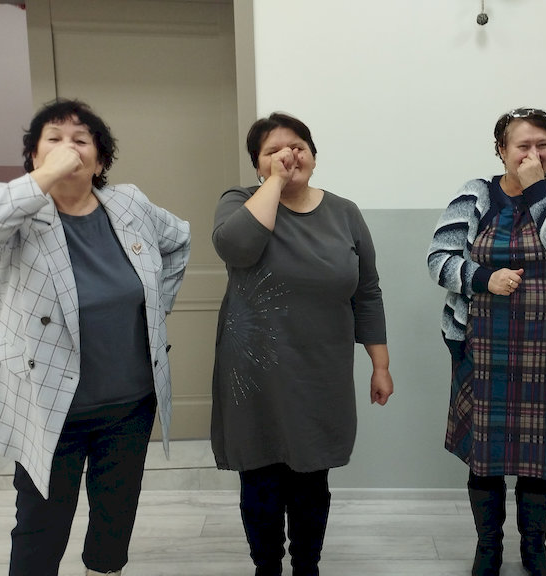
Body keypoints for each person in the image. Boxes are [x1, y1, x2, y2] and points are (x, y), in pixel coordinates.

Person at [0, 99, 190, 575]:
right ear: (34, 157)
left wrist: (156, 309)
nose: (68, 149)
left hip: (129, 406)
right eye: (54, 140)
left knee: (114, 522)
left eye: (81, 140)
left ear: (100, 161)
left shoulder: (129, 204)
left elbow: (178, 240)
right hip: (50, 408)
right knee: (40, 529)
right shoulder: (17, 219)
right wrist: (45, 177)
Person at [211, 112, 394, 576]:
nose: (288, 155)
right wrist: (275, 183)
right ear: (257, 164)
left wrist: (380, 364)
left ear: (314, 155)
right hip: (255, 370)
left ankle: (307, 567)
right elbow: (236, 248)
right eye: (272, 151)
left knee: (312, 477)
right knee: (261, 477)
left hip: (321, 368)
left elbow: (367, 292)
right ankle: (266, 567)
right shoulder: (240, 201)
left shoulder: (345, 213)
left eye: (297, 147)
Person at [427, 107, 546, 576]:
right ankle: (489, 548)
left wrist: (538, 190)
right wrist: (483, 277)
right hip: (485, 346)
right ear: (501, 150)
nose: (533, 154)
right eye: (523, 146)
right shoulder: (475, 195)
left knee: (539, 458)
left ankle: (535, 549)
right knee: (485, 455)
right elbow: (438, 258)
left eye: (543, 144)